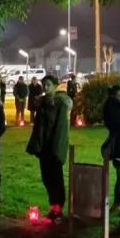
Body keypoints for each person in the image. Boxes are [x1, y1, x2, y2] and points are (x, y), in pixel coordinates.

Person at [26, 75, 72, 224]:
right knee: (47, 179)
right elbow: (39, 127)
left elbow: (61, 129)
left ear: (55, 86)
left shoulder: (61, 104)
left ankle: (59, 210)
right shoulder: (43, 104)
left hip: (54, 149)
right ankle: (53, 208)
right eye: (44, 85)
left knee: (56, 180)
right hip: (44, 148)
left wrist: (57, 151)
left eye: (48, 85)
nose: (45, 88)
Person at [102, 85, 120, 212]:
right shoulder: (110, 108)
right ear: (113, 95)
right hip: (119, 147)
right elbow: (113, 124)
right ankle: (117, 202)